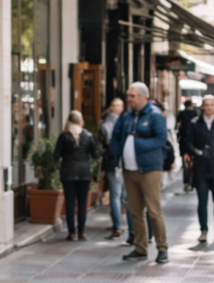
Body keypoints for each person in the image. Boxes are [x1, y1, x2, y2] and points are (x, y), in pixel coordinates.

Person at [111, 82, 169, 263]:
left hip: (149, 170)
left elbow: (161, 139)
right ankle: (140, 247)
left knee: (154, 211)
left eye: (132, 96)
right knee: (135, 211)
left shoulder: (155, 115)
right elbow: (115, 136)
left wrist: (137, 144)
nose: (128, 99)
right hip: (129, 170)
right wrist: (119, 152)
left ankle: (162, 249)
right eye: (128, 96)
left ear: (144, 97)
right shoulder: (126, 116)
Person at [181, 95, 214, 243]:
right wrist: (197, 152)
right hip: (201, 169)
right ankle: (203, 230)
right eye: (206, 105)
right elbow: (188, 143)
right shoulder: (195, 123)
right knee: (202, 201)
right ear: (202, 107)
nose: (208, 107)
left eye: (211, 105)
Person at [55, 110, 99, 241]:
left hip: (68, 172)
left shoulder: (64, 136)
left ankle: (72, 232)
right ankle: (82, 232)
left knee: (69, 202)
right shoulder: (88, 135)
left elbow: (56, 155)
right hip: (84, 172)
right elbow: (96, 155)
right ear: (81, 121)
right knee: (82, 202)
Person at [98, 98, 127, 239]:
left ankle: (117, 225)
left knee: (115, 195)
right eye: (119, 105)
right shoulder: (123, 122)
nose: (121, 108)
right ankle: (120, 226)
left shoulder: (105, 123)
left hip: (111, 162)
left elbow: (101, 145)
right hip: (123, 162)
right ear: (114, 107)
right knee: (122, 196)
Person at [177, 99, 198, 192]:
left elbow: (178, 126)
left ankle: (186, 182)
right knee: (193, 163)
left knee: (185, 163)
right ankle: (192, 182)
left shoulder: (181, 114)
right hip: (194, 141)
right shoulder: (195, 114)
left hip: (184, 141)